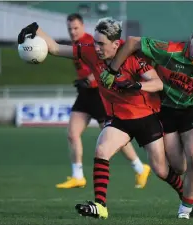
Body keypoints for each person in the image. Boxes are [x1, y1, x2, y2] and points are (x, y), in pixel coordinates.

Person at [17, 17, 190, 219]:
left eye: (102, 43)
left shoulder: (134, 57)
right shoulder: (90, 51)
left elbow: (157, 83)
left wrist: (136, 86)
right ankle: (100, 206)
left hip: (146, 117)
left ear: (116, 44)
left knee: (161, 170)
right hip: (118, 118)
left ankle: (187, 199)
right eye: (96, 42)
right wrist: (35, 29)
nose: (97, 47)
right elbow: (55, 48)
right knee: (101, 149)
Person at [105, 24, 193, 219]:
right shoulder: (170, 51)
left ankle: (185, 209)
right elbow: (132, 42)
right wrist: (112, 71)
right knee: (179, 168)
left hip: (192, 111)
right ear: (190, 38)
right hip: (167, 110)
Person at [53, 13, 151, 190]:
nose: (73, 32)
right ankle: (77, 176)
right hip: (85, 95)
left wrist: (89, 80)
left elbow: (100, 66)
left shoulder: (92, 41)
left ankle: (139, 167)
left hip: (99, 95)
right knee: (72, 134)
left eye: (75, 28)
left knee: (113, 138)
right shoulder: (77, 44)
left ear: (82, 26)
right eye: (69, 29)